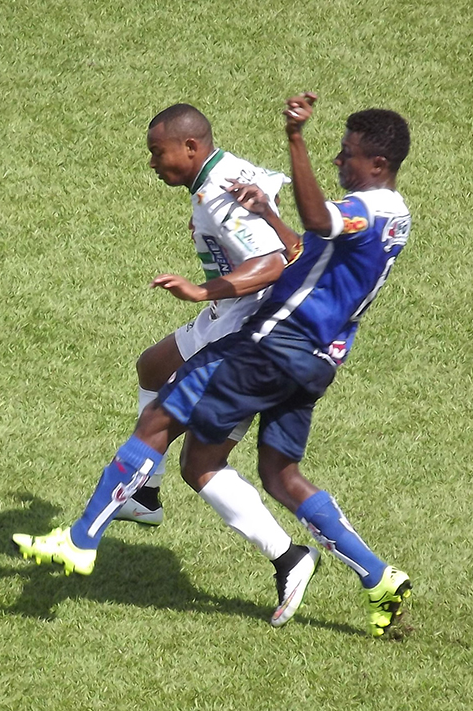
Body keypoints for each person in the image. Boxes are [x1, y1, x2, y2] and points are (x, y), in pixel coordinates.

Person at [14, 93, 413, 636]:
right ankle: (377, 576)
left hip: (271, 343)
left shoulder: (366, 208)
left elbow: (313, 224)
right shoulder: (398, 218)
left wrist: (295, 137)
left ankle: (82, 539)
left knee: (159, 420)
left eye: (348, 154)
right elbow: (303, 254)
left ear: (378, 164)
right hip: (318, 359)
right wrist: (268, 213)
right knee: (273, 473)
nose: (339, 160)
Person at [114, 103, 295, 527]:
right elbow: (272, 188)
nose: (153, 164)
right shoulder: (228, 168)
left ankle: (289, 554)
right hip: (227, 311)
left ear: (191, 146)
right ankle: (144, 494)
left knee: (198, 461)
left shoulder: (217, 197)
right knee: (152, 366)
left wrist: (200, 291)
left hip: (244, 322)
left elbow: (272, 263)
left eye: (158, 152)